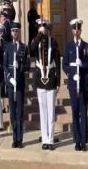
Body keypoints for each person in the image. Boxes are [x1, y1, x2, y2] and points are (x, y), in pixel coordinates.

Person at [63, 19, 88, 152]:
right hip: (72, 83)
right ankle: (77, 140)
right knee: (75, 112)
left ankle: (83, 141)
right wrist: (71, 73)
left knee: (83, 112)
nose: (76, 31)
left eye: (78, 29)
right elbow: (64, 64)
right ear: (72, 31)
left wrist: (82, 65)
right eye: (74, 29)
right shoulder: (69, 46)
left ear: (80, 31)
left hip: (83, 84)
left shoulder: (87, 46)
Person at [30, 19, 60, 151]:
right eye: (41, 27)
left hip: (51, 80)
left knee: (51, 111)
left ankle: (51, 139)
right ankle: (45, 138)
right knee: (43, 111)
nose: (43, 29)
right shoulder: (36, 42)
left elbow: (57, 63)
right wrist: (39, 35)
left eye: (45, 27)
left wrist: (58, 81)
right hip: (39, 80)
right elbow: (31, 49)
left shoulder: (53, 42)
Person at [3, 22, 30, 148]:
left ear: (19, 33)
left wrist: (20, 67)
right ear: (11, 33)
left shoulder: (24, 48)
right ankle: (14, 138)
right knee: (12, 112)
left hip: (19, 83)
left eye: (17, 31)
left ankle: (20, 138)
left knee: (20, 112)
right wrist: (9, 77)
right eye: (13, 31)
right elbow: (4, 65)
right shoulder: (8, 47)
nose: (15, 33)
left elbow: (28, 65)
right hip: (10, 83)